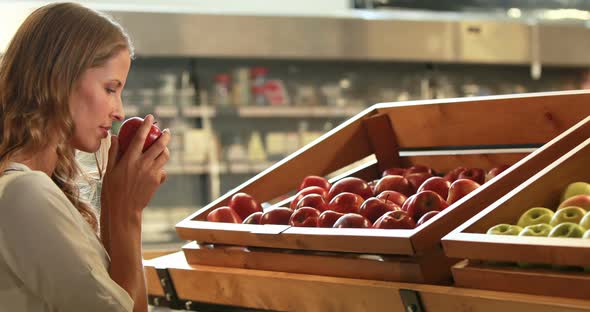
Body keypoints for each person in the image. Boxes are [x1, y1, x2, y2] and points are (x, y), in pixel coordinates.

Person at [0, 2, 170, 311]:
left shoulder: (33, 189)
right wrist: (126, 213)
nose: (118, 111)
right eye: (110, 88)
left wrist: (116, 206)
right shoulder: (25, 193)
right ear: (59, 79)